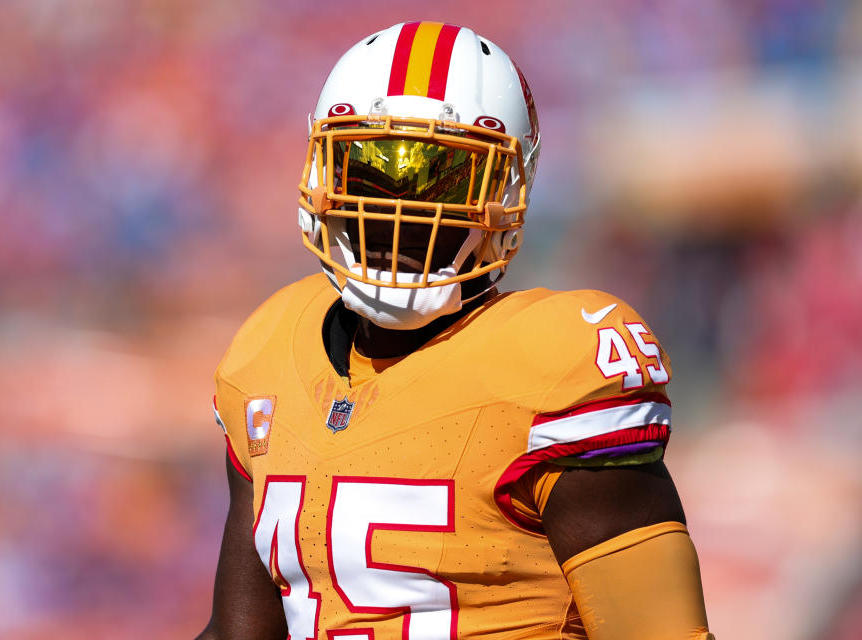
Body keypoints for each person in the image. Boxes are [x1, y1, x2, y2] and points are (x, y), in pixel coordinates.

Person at [197, 21, 713, 640]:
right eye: (370, 172)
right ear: (322, 174)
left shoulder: (550, 363)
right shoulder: (269, 350)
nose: (401, 212)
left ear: (508, 192)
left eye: (446, 178)